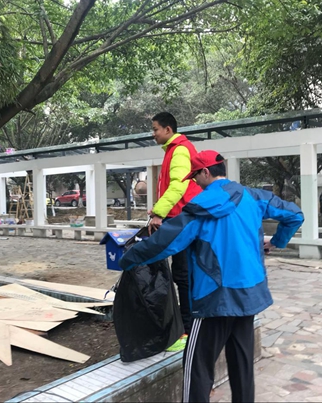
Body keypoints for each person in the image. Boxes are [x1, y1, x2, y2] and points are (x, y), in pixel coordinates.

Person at [119, 150, 304, 403]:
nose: (194, 182)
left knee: (197, 367)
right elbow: (295, 214)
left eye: (195, 176)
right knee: (242, 365)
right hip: (249, 295)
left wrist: (127, 259)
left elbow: (164, 242)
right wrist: (277, 242)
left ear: (206, 172)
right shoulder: (254, 197)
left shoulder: (201, 208)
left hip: (214, 299)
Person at [149, 111, 202, 351]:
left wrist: (159, 212)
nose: (153, 134)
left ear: (168, 129)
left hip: (183, 220)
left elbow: (178, 186)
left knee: (183, 275)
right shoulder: (175, 150)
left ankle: (189, 331)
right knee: (184, 274)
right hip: (182, 218)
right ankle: (189, 325)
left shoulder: (180, 150)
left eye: (155, 129)